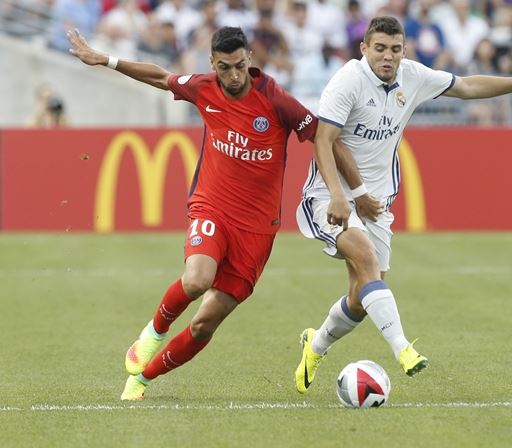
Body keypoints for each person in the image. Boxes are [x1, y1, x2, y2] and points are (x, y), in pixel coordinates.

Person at [66, 26, 355, 401]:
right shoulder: (204, 88)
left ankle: (143, 379)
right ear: (212, 64)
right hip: (212, 207)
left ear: (249, 59)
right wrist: (105, 59)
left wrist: (343, 192)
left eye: (239, 66)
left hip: (257, 229)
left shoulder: (276, 99)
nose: (233, 76)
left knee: (204, 324)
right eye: (224, 67)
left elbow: (321, 137)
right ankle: (153, 332)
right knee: (197, 279)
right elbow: (161, 76)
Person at [294, 15, 512, 394]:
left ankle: (316, 345)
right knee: (367, 261)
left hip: (376, 202)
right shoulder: (348, 81)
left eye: (395, 49)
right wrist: (343, 195)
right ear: (364, 49)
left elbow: (468, 86)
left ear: (404, 49)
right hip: (331, 197)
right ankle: (403, 349)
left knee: (361, 297)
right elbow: (324, 140)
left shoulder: (413, 76)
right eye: (380, 49)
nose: (388, 56)